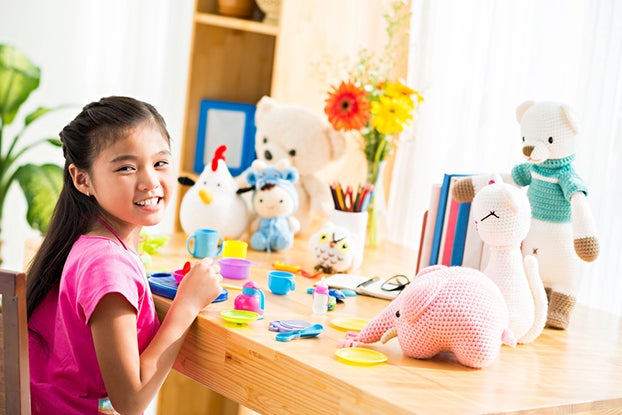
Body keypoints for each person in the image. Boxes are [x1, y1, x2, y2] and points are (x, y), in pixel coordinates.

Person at [26, 96, 223, 415]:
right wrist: (187, 303)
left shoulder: (87, 244)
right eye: (127, 168)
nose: (150, 181)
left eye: (160, 163)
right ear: (82, 179)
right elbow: (130, 400)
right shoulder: (106, 264)